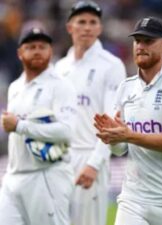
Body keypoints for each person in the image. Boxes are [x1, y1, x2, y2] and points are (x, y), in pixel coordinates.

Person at [94, 16, 162, 225]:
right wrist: (114, 138)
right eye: (138, 41)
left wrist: (130, 135)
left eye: (148, 41)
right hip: (134, 200)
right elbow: (121, 150)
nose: (141, 46)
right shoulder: (126, 88)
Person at [54, 1, 126, 225]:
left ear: (100, 28)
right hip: (59, 160)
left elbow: (111, 122)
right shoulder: (60, 67)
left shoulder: (111, 65)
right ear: (70, 27)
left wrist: (95, 163)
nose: (87, 27)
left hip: (89, 156)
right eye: (81, 22)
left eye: (93, 22)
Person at [0, 27, 77, 225]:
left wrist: (20, 125)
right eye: (31, 46)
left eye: (42, 47)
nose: (37, 51)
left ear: (50, 51)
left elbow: (67, 132)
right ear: (19, 53)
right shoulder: (15, 87)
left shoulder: (61, 85)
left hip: (47, 176)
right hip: (13, 176)